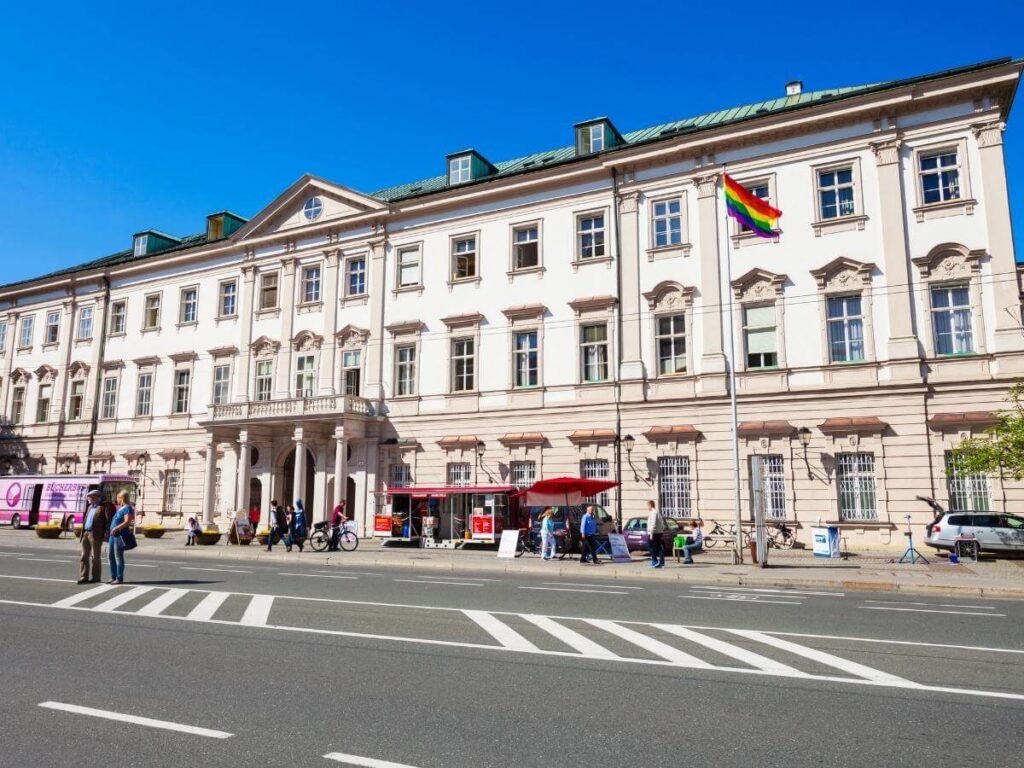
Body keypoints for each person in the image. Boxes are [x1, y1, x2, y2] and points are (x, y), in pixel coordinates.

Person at [77, 489, 109, 584]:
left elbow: (107, 522)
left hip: (96, 534)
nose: (88, 498)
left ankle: (96, 577)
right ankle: (84, 577)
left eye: (90, 496)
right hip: (86, 533)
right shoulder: (90, 507)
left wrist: (106, 534)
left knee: (95, 557)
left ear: (97, 497)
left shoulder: (102, 507)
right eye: (88, 496)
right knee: (84, 556)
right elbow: (86, 520)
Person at [107, 490, 135, 585]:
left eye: (118, 498)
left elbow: (127, 521)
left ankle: (119, 578)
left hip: (119, 535)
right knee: (110, 555)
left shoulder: (128, 508)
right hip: (113, 535)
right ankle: (113, 576)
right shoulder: (120, 508)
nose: (117, 500)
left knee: (118, 556)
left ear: (122, 498)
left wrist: (116, 528)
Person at [647, 500, 666, 568]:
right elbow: (661, 523)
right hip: (658, 532)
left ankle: (655, 561)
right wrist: (662, 530)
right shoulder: (657, 512)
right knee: (659, 547)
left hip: (654, 533)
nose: (647, 508)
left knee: (649, 546)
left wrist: (651, 533)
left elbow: (653, 523)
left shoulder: (654, 512)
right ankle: (661, 563)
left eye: (647, 506)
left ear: (650, 505)